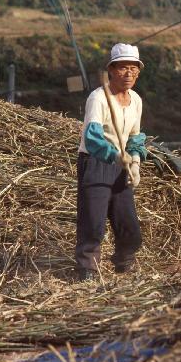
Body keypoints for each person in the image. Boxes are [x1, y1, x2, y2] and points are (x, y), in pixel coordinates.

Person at [76, 43, 147, 281]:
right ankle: (87, 269)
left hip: (122, 164)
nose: (129, 74)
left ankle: (123, 262)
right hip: (96, 161)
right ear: (112, 70)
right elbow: (93, 137)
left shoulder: (136, 100)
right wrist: (116, 155)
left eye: (133, 69)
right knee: (93, 221)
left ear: (138, 72)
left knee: (128, 223)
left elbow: (136, 137)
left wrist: (134, 161)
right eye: (123, 68)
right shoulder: (98, 98)